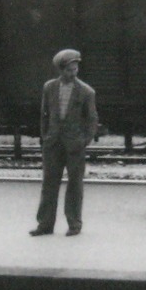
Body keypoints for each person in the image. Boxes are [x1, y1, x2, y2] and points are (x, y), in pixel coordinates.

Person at [31, 48, 99, 236]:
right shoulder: (49, 87)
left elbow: (92, 119)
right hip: (53, 143)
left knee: (75, 185)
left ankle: (74, 224)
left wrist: (84, 141)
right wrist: (45, 136)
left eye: (75, 69)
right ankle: (45, 225)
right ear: (60, 70)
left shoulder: (86, 92)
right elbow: (44, 114)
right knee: (49, 185)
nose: (73, 73)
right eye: (69, 70)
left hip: (74, 145)